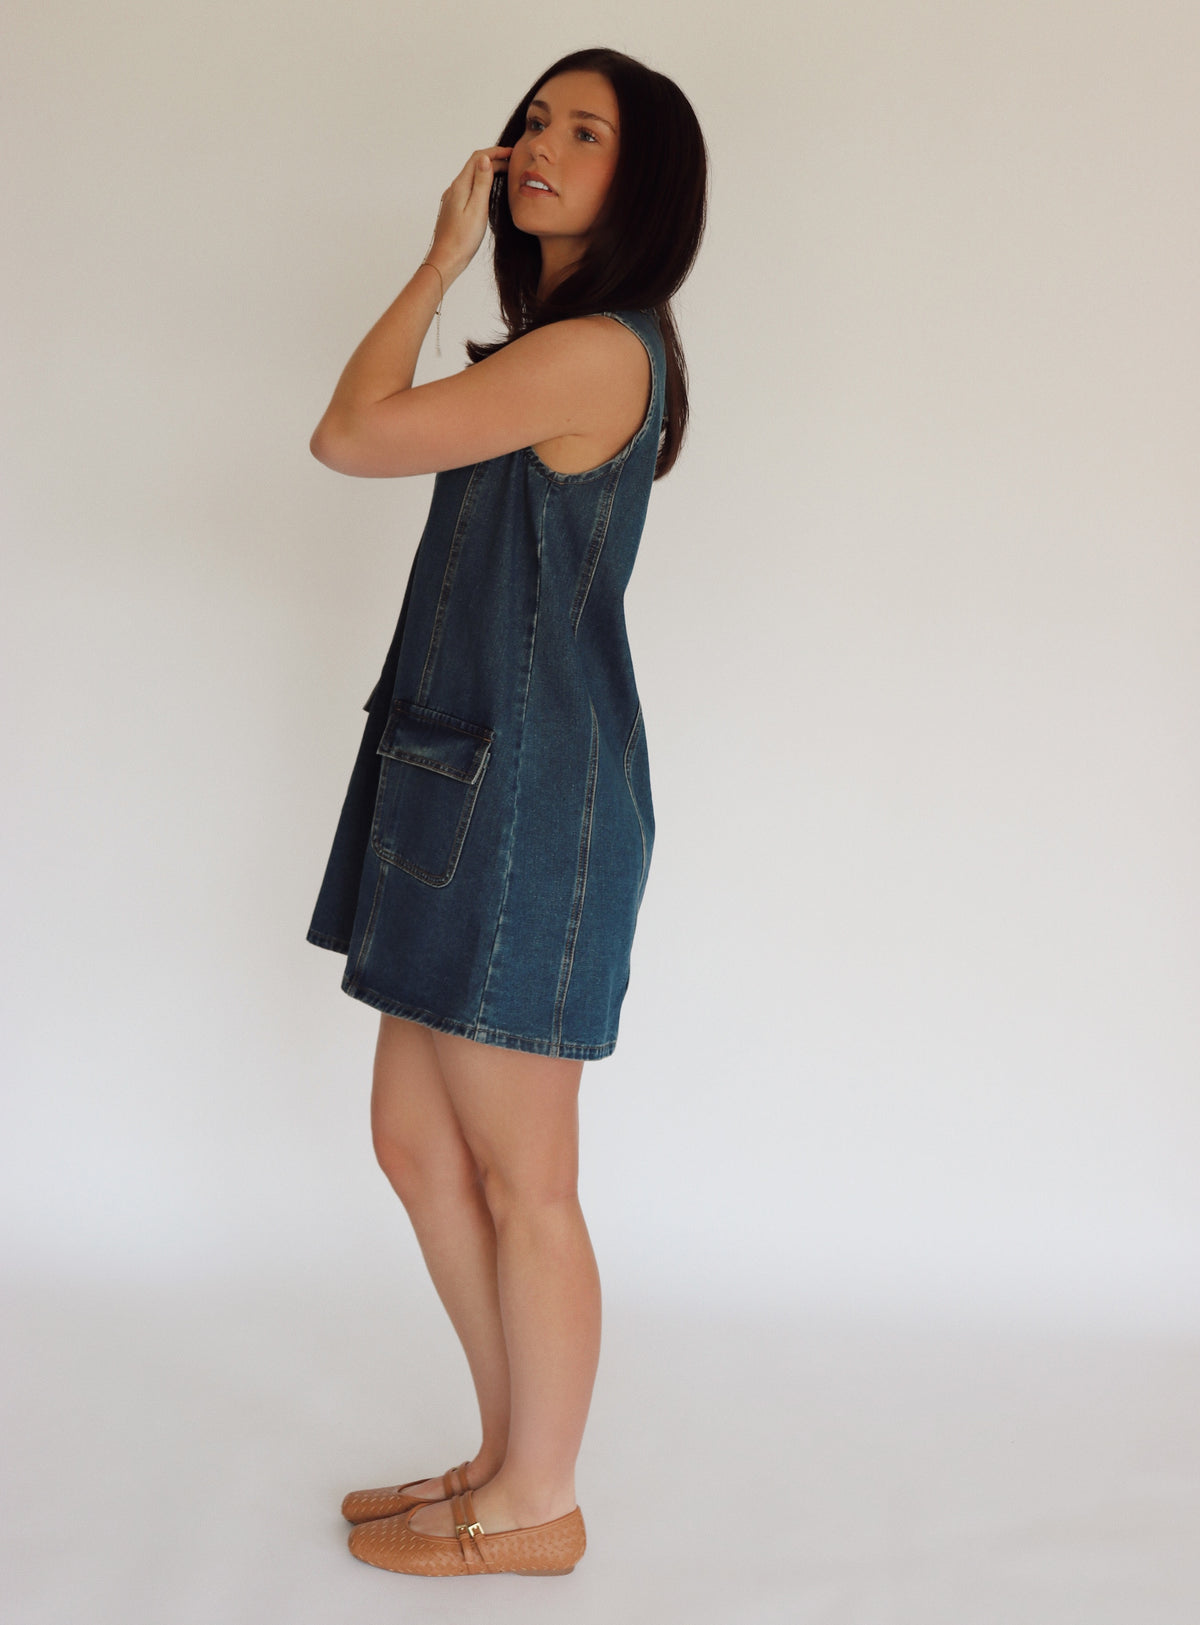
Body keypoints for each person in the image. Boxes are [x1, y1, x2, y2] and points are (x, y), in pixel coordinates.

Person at [306, 46, 707, 1579]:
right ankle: (505, 1449)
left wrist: (432, 260)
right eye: (535, 118)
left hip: (532, 803)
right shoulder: (552, 349)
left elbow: (350, 432)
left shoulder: (594, 351)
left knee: (529, 1178)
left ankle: (539, 1497)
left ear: (643, 180)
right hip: (456, 771)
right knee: (416, 1137)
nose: (538, 144)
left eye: (584, 132)